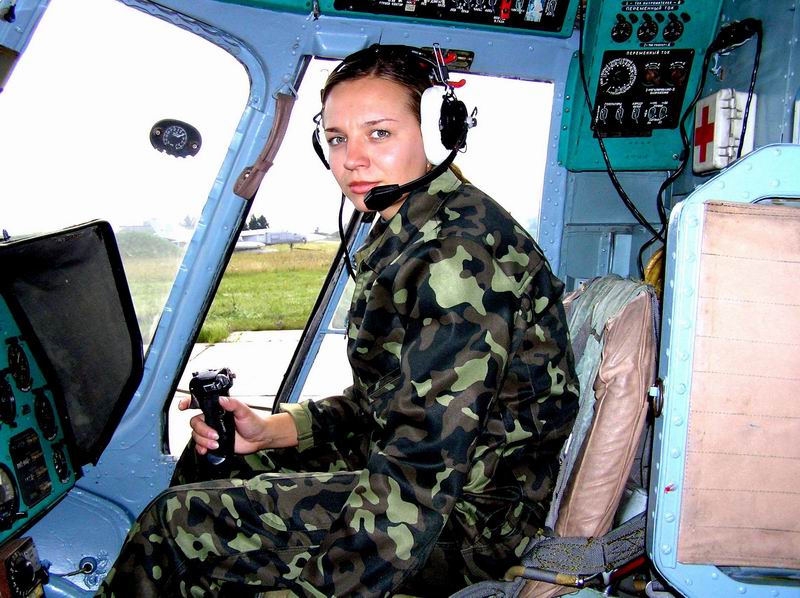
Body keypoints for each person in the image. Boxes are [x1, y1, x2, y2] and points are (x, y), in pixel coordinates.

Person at [96, 44, 579, 598]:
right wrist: (275, 430)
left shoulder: (456, 257)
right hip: (429, 475)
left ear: (434, 133)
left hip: (470, 524)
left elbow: (421, 472)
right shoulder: (408, 227)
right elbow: (385, 400)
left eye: (379, 133)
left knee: (177, 525)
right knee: (215, 458)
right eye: (337, 138)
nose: (351, 160)